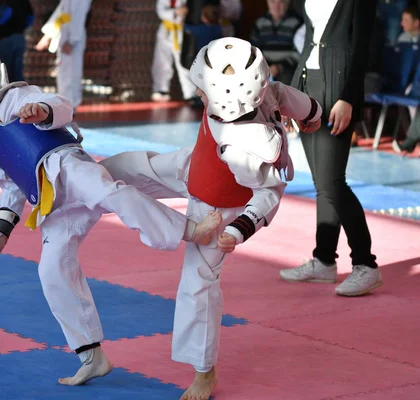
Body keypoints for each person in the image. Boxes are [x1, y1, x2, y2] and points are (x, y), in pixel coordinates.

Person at [0, 36, 222, 387]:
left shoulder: (19, 96)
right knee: (51, 270)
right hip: (54, 204)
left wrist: (42, 111)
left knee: (113, 193)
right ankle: (91, 355)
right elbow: (12, 188)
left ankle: (188, 229)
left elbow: (58, 103)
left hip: (71, 170)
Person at [100, 37, 322, 400]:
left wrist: (238, 229)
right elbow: (282, 93)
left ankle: (204, 372)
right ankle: (78, 183)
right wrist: (311, 113)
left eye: (204, 93)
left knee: (197, 284)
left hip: (217, 209)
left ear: (231, 99)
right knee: (132, 166)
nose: (200, 97)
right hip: (196, 164)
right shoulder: (258, 92)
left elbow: (268, 195)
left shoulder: (246, 149)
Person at [279, 0, 382, 296]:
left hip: (338, 90)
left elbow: (363, 48)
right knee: (321, 184)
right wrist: (290, 97)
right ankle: (324, 260)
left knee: (333, 182)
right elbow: (309, 45)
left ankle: (366, 265)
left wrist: (348, 98)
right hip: (308, 84)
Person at [35, 0, 90, 111]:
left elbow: (78, 17)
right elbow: (61, 14)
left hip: (71, 40)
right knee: (64, 74)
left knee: (71, 75)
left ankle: (70, 107)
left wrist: (72, 41)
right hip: (65, 35)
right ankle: (66, 107)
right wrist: (48, 35)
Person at [150, 0, 197, 103]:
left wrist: (182, 13)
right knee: (161, 60)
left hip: (181, 29)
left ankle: (190, 93)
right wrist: (176, 12)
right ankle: (161, 89)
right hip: (166, 29)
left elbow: (190, 10)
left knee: (183, 61)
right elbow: (160, 11)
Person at [250, 0, 302, 84]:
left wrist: (280, 67)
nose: (276, 7)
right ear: (267, 3)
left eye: (281, 2)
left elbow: (299, 52)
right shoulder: (260, 22)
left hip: (287, 67)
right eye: (273, 2)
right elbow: (254, 49)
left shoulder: (297, 22)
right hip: (263, 65)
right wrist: (264, 65)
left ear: (287, 4)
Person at [0, 0, 34, 83]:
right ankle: (20, 94)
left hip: (5, 38)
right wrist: (21, 27)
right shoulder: (25, 2)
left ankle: (8, 95)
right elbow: (31, 18)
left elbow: (6, 13)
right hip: (19, 38)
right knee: (17, 72)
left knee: (5, 73)